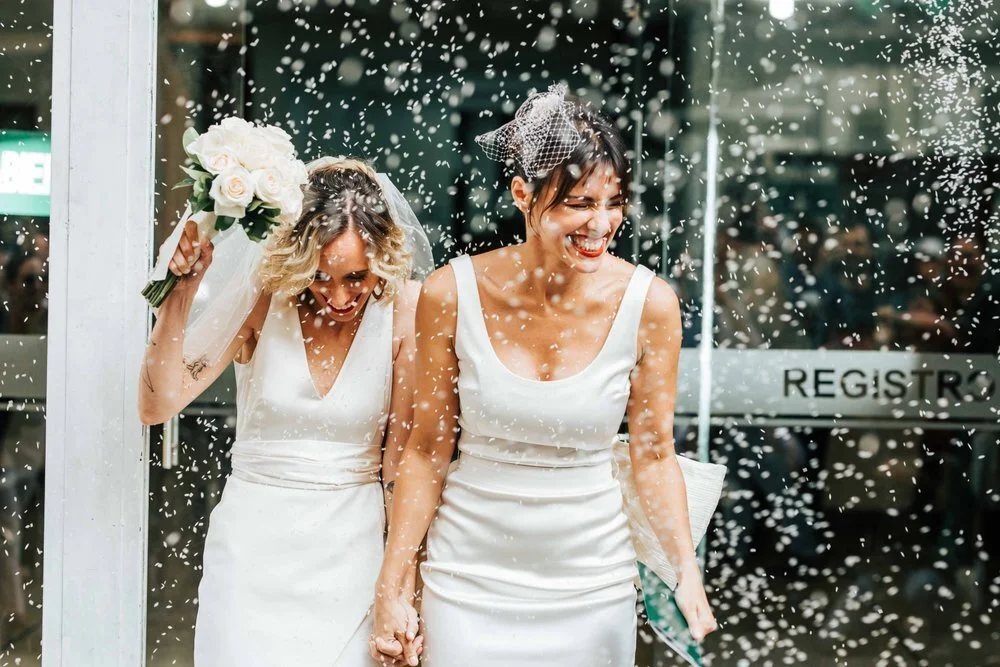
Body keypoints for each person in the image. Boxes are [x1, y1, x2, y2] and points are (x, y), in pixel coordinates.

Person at [371, 85, 716, 667]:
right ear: (522, 194)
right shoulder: (449, 293)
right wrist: (393, 584)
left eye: (614, 202)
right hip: (465, 579)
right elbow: (427, 450)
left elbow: (655, 453)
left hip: (592, 584)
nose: (601, 223)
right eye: (579, 203)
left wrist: (686, 571)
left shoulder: (649, 303)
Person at [138, 157, 432, 666]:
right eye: (321, 276)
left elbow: (402, 464)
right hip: (253, 548)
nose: (339, 296)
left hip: (354, 547)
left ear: (383, 255)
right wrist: (179, 297)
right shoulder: (262, 299)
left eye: (356, 277)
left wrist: (399, 587)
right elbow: (156, 403)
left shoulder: (406, 308)